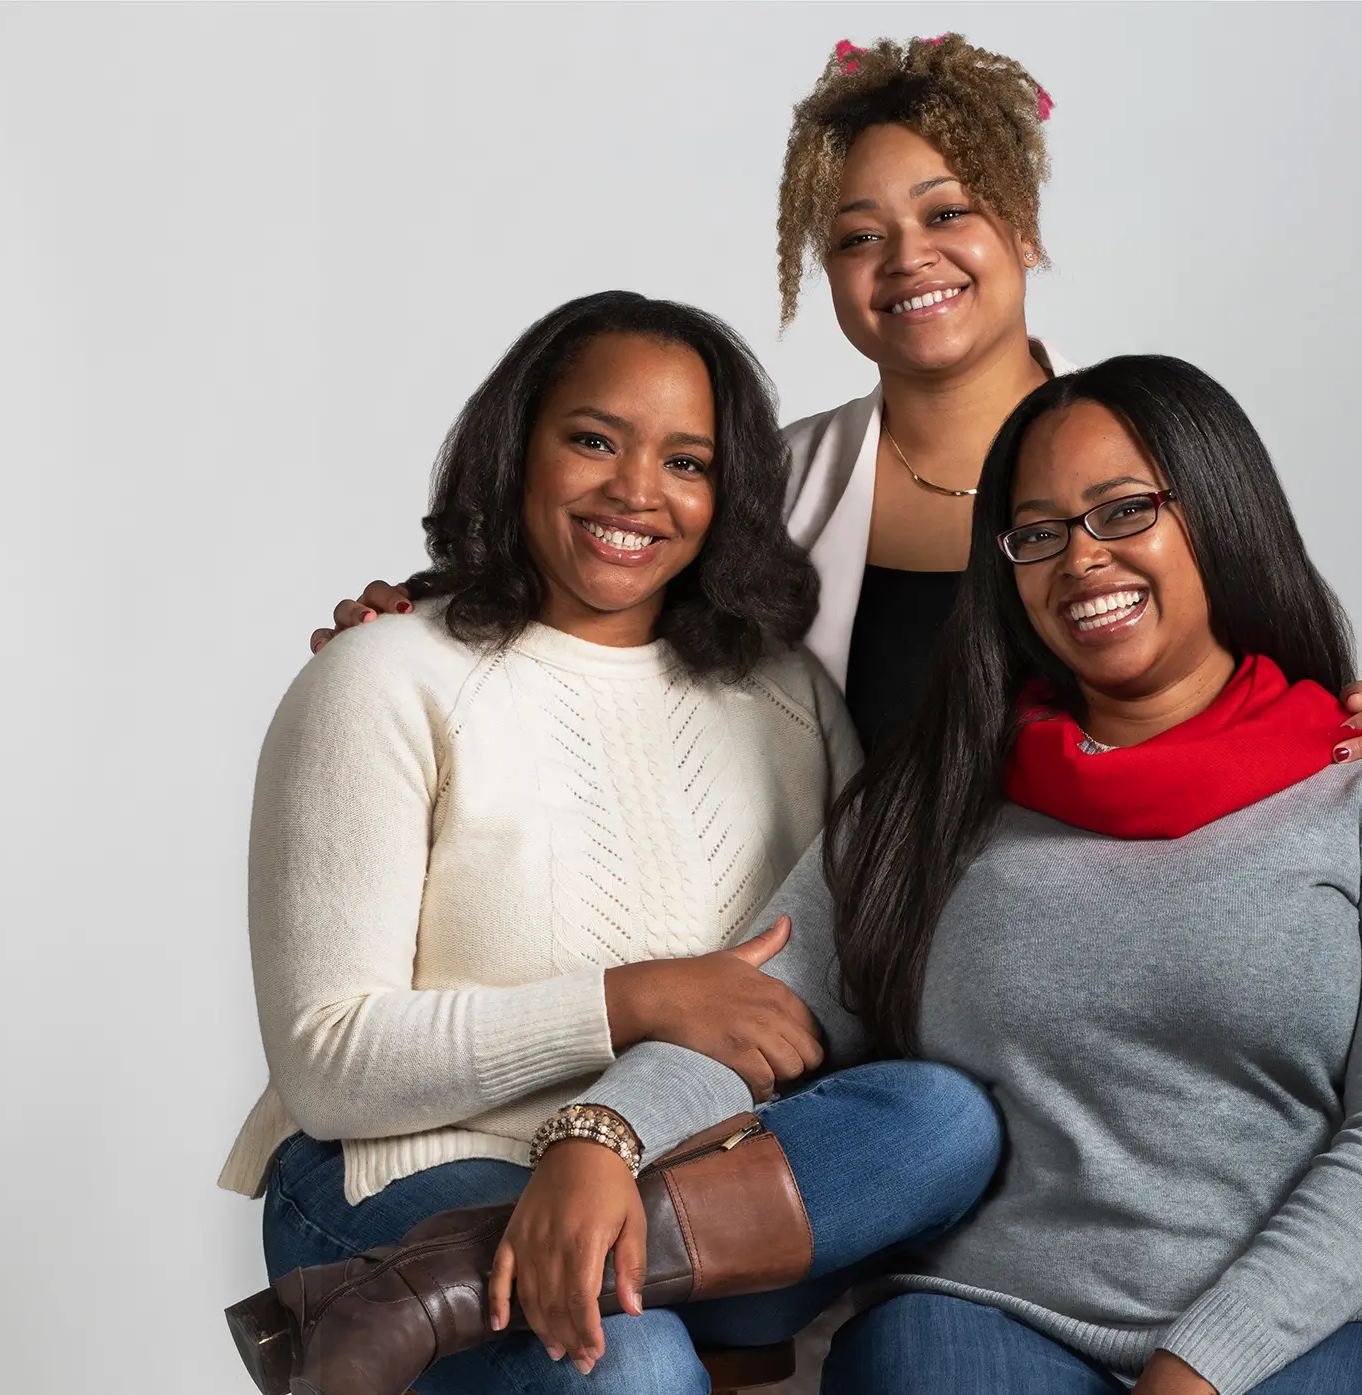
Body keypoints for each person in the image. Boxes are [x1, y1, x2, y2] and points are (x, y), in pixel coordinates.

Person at [488, 355, 1362, 1395]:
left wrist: (1199, 1367)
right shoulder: (933, 802)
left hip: (1314, 1339)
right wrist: (600, 1137)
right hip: (989, 1330)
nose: (1081, 561)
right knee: (913, 1361)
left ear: (1220, 512)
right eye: (1039, 533)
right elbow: (755, 1004)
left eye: (1123, 512)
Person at [314, 33, 1362, 786]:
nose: (906, 259)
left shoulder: (1148, 453)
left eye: (945, 213)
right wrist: (425, 624)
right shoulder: (764, 482)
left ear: (1021, 227)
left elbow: (1272, 683)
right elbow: (598, 593)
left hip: (1110, 961)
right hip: (845, 984)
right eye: (857, 238)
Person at [217, 290, 1002, 1395]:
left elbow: (830, 988)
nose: (638, 492)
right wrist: (632, 1000)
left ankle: (434, 1293)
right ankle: (511, 1272)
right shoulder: (382, 678)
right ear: (517, 446)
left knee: (941, 1122)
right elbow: (329, 1067)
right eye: (594, 440)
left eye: (688, 462)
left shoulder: (782, 695)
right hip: (402, 1170)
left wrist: (608, 1143)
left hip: (681, 1170)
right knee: (625, 1366)